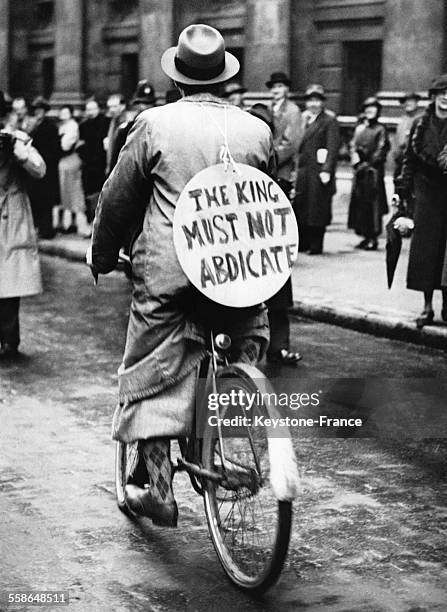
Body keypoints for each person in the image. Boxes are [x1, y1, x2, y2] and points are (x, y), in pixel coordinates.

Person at [90, 24, 273, 526]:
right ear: (223, 76)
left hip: (170, 274)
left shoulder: (153, 124)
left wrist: (102, 254)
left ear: (179, 79)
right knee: (239, 344)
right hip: (239, 272)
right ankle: (217, 446)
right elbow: (268, 197)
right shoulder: (256, 129)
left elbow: (118, 200)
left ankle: (158, 488)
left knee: (148, 373)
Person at [248, 102, 302, 365]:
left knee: (277, 295)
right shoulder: (238, 152)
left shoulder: (274, 156)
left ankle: (279, 346)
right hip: (244, 238)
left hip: (269, 237)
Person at [395, 74, 447, 328]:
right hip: (426, 194)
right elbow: (409, 160)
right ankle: (426, 307)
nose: (446, 98)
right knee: (426, 251)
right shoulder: (420, 124)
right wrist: (403, 190)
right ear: (434, 97)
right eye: (441, 93)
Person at [0, 91, 45, 360]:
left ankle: (9, 339)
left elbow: (40, 169)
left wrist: (21, 154)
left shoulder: (16, 139)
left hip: (12, 215)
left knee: (9, 281)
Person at [294, 84, 340, 255]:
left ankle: (316, 244)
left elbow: (333, 147)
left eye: (317, 100)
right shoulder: (302, 119)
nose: (313, 104)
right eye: (310, 100)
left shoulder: (328, 121)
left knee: (317, 208)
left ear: (322, 103)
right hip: (304, 171)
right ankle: (304, 242)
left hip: (319, 171)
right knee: (303, 206)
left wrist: (327, 170)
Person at [348, 96, 390, 250]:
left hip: (373, 173)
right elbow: (352, 145)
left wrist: (368, 163)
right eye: (367, 109)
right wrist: (356, 160)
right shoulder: (360, 128)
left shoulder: (381, 129)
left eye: (373, 109)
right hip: (360, 172)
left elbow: (382, 149)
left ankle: (373, 237)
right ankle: (364, 235)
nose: (370, 111)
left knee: (373, 206)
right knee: (361, 205)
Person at [27, 96, 60, 239]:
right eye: (36, 109)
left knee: (46, 200)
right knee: (38, 199)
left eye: (40, 109)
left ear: (45, 111)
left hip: (47, 168)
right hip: (37, 167)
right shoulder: (33, 125)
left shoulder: (50, 127)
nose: (37, 112)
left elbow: (54, 149)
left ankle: (47, 230)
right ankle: (40, 228)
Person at [266, 71, 302, 199]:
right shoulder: (268, 108)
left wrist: (270, 159)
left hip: (283, 169)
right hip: (269, 169)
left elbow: (291, 144)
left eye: (280, 86)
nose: (276, 90)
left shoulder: (293, 111)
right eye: (273, 87)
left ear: (287, 89)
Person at [109, 80, 156, 173]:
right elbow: (117, 163)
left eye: (149, 103)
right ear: (136, 105)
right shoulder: (126, 130)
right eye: (143, 103)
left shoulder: (160, 128)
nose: (146, 107)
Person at [56, 105, 88, 235]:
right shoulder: (62, 127)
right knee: (65, 192)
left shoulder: (72, 126)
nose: (63, 115)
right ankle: (67, 223)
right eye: (61, 112)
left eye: (66, 112)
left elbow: (65, 145)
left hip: (71, 160)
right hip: (63, 162)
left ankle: (81, 224)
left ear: (70, 114)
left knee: (74, 191)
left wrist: (58, 142)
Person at [78, 98, 109, 225]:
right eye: (88, 109)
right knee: (89, 194)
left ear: (98, 109)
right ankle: (91, 221)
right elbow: (81, 144)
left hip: (101, 163)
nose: (90, 112)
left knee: (101, 193)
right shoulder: (83, 125)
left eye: (93, 109)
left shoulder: (106, 123)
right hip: (88, 164)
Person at [393, 92, 422, 180]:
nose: (408, 103)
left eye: (411, 101)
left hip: (413, 165)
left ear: (416, 103)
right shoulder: (402, 120)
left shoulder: (420, 120)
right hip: (400, 162)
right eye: (406, 101)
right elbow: (397, 141)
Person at [104, 94, 127, 176]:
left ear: (123, 106)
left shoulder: (128, 123)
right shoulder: (112, 122)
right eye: (109, 107)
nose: (111, 110)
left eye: (114, 106)